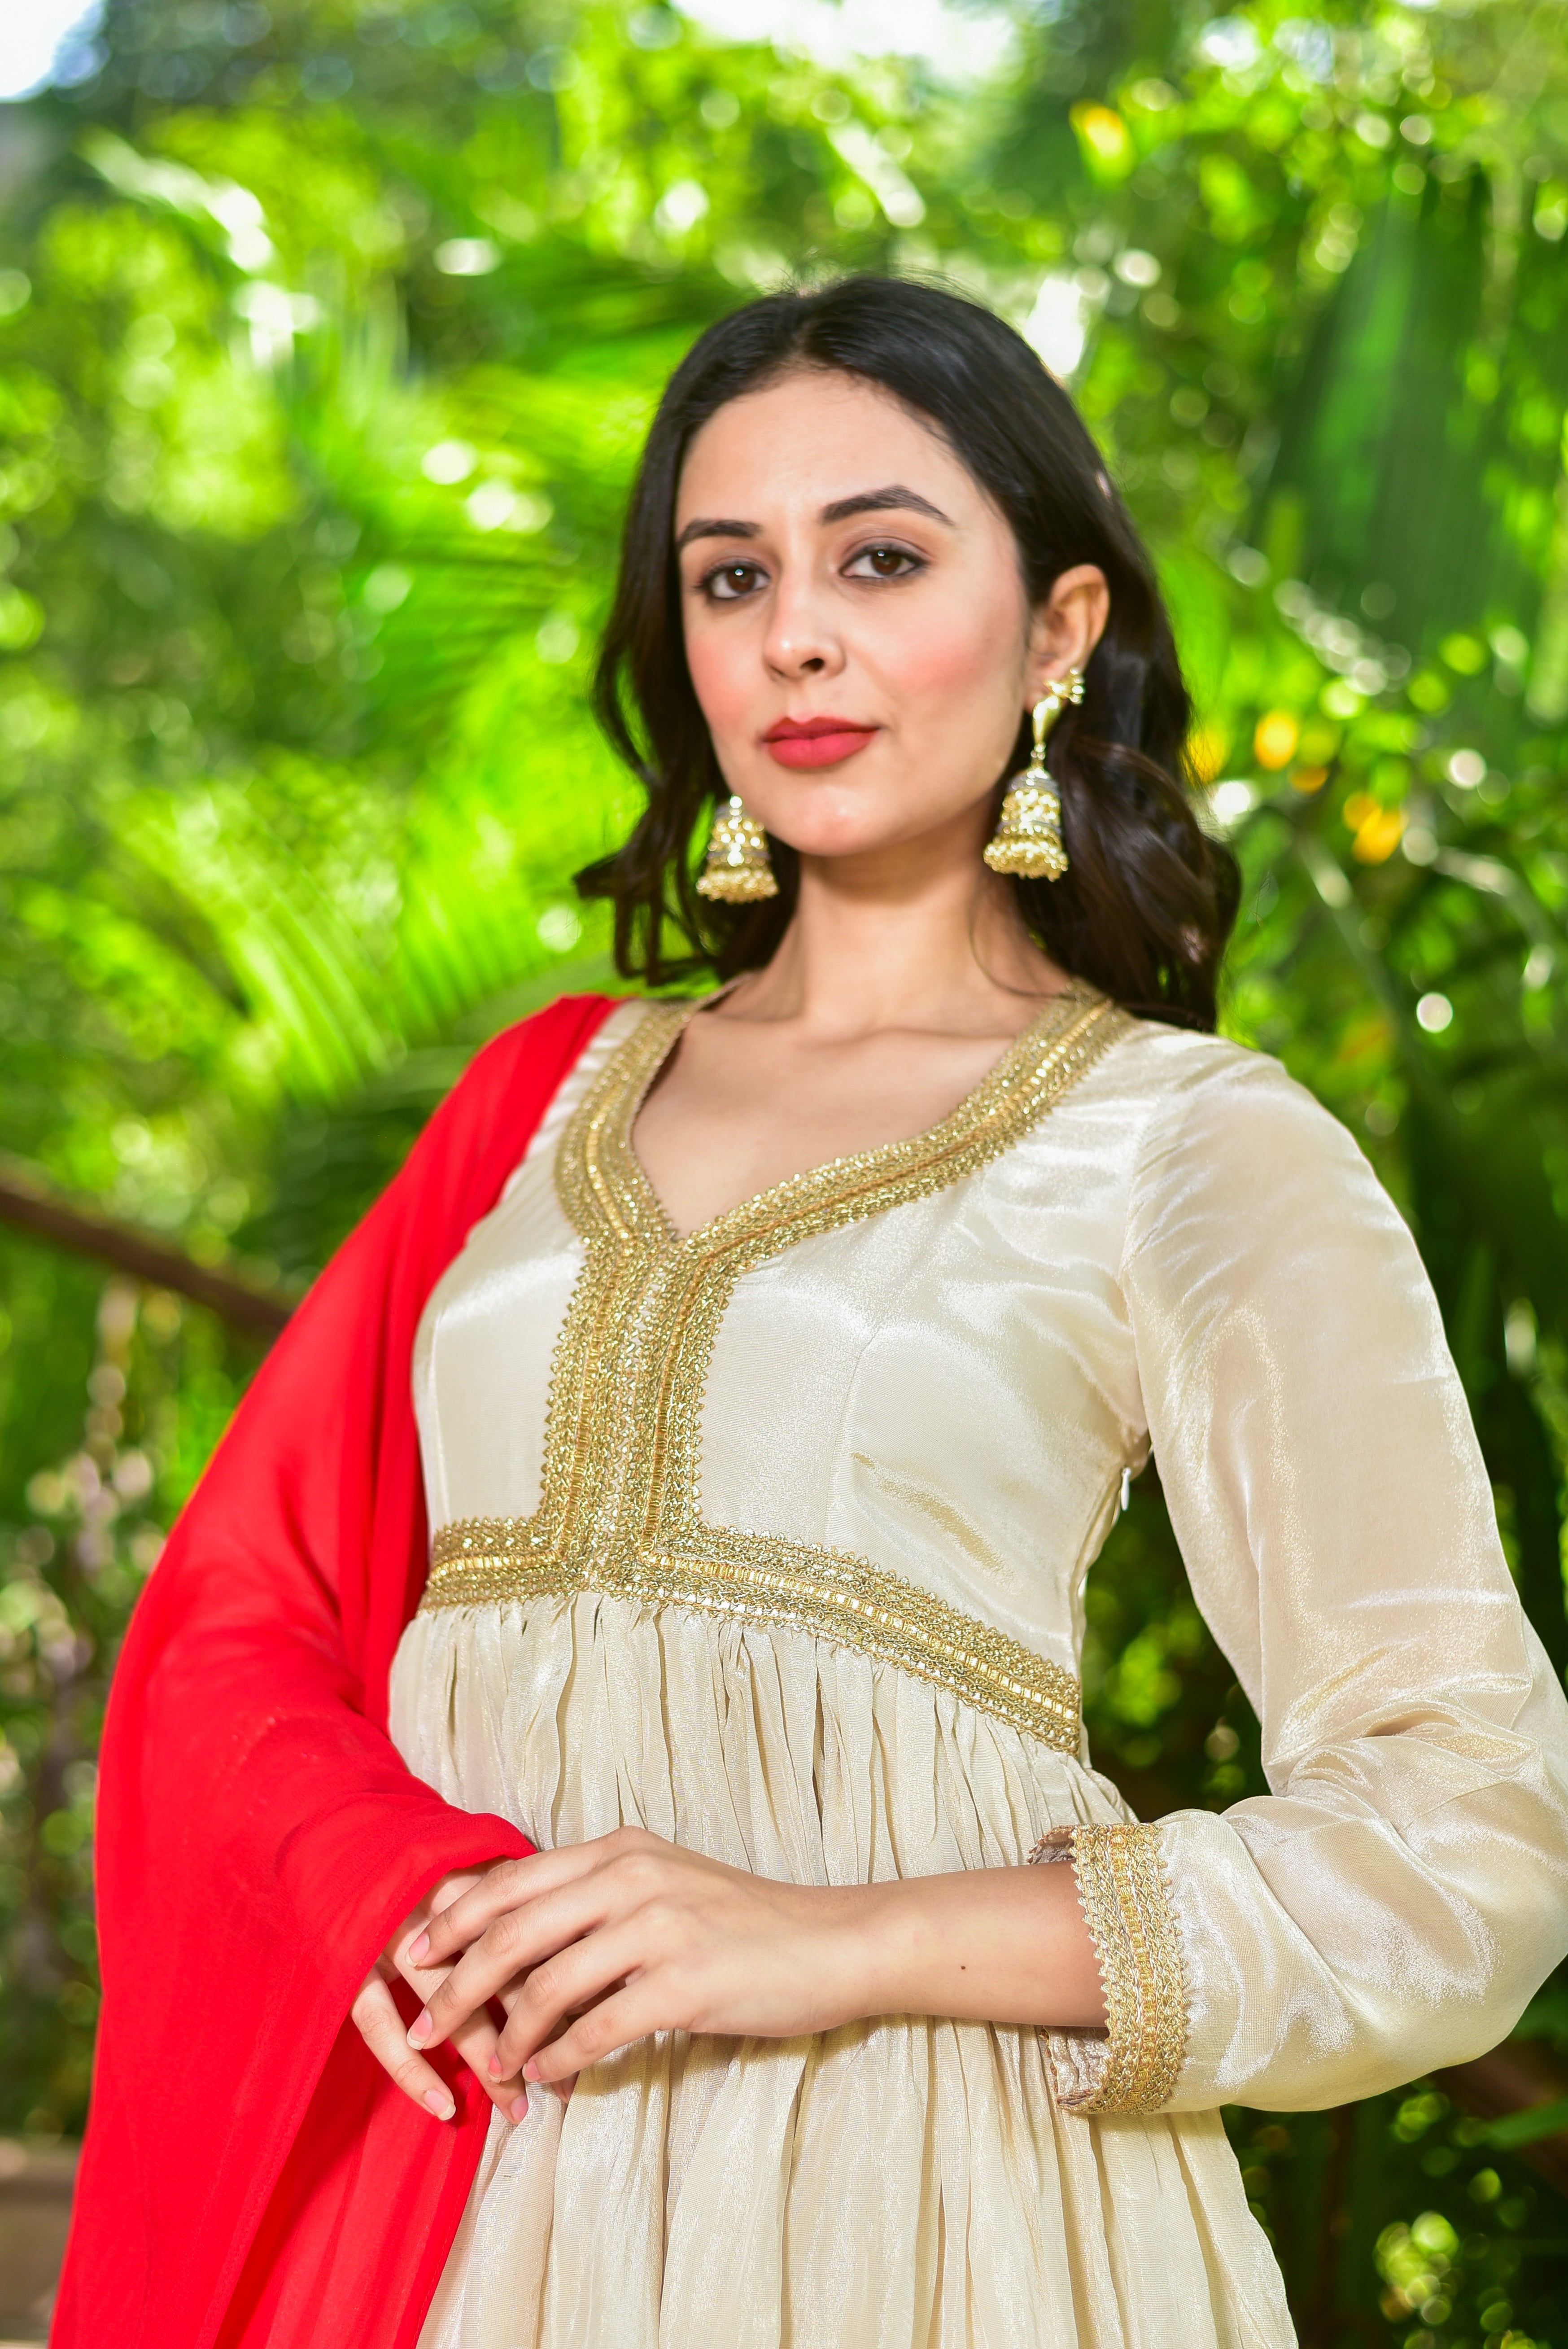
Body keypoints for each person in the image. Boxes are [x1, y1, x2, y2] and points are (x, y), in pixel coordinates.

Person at [57, 276, 1568, 2349]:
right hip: (466, 2150)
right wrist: (386, 1882)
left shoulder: (1187, 1143)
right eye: (727, 574)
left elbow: (1465, 1832)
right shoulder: (535, 1105)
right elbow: (244, 1618)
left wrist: (828, 1940)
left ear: (1058, 627)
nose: (796, 634)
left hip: (919, 2199)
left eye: (879, 555)